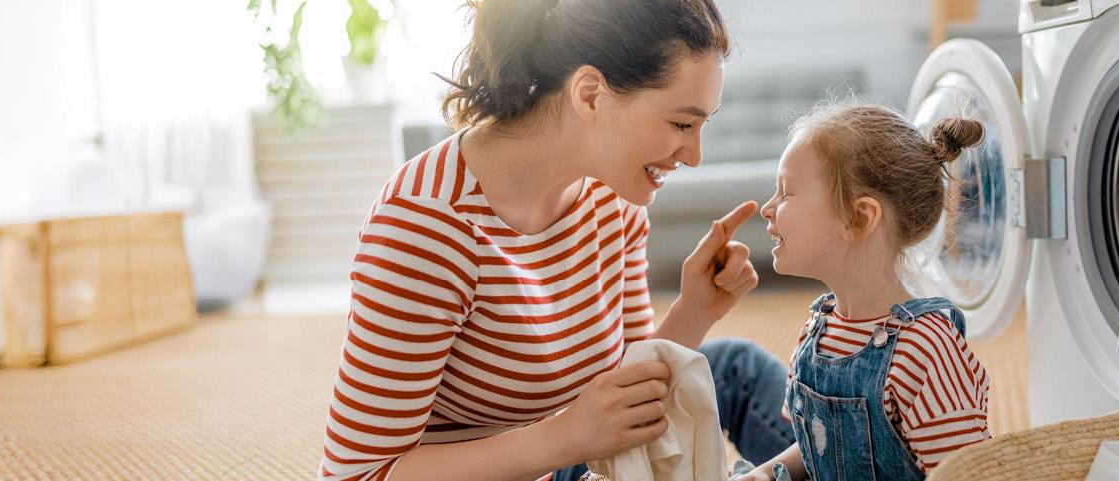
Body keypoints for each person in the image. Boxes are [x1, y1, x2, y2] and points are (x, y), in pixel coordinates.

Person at [316, 1, 793, 480]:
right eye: (682, 125)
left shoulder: (614, 197)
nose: (694, 156)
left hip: (572, 462)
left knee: (734, 368)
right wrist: (565, 437)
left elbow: (622, 393)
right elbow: (358, 473)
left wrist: (694, 311)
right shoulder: (428, 226)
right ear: (590, 95)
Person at [734, 105, 992, 480]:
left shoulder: (925, 349)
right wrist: (765, 474)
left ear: (859, 218)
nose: (768, 208)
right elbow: (815, 449)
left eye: (786, 193)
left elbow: (968, 474)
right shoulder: (815, 331)